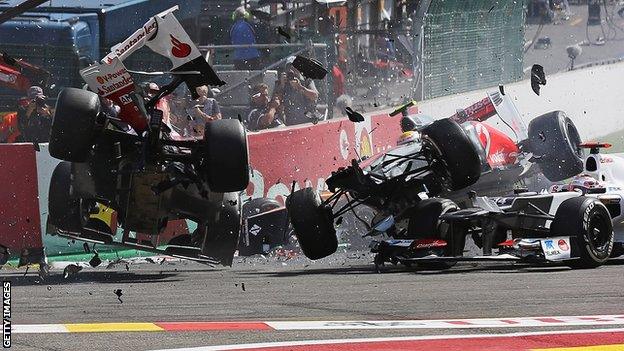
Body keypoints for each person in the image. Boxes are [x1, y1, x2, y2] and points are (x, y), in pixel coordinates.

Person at [273, 56, 319, 126]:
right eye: (289, 67)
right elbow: (275, 103)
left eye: (295, 67)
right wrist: (282, 86)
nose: (292, 70)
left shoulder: (307, 80)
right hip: (290, 123)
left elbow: (315, 96)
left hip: (309, 122)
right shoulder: (281, 82)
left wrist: (301, 88)